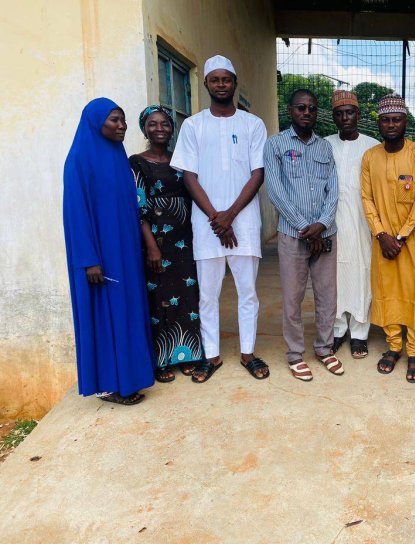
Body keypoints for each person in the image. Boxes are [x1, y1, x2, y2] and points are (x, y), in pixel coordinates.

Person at [171, 55, 270, 382]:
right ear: (206, 85)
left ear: (234, 83)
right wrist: (216, 217)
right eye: (215, 80)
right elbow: (189, 176)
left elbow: (258, 174)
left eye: (226, 79)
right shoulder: (193, 125)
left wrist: (230, 216)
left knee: (248, 293)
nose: (221, 84)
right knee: (207, 295)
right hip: (206, 224)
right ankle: (211, 356)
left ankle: (248, 354)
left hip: (243, 225)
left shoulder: (252, 124)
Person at [63, 98, 154, 405]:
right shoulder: (79, 159)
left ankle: (131, 377)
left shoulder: (117, 156)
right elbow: (76, 214)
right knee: (108, 317)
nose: (121, 126)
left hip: (125, 253)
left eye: (123, 120)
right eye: (114, 120)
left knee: (128, 313)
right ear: (95, 122)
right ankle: (113, 385)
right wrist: (89, 260)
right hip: (101, 258)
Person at [264, 89, 342, 381]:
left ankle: (325, 348)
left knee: (327, 296)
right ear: (290, 110)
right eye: (301, 108)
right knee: (293, 298)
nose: (306, 112)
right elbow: (275, 190)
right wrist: (304, 227)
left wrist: (321, 224)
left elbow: (334, 190)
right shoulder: (276, 145)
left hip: (325, 235)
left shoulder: (325, 148)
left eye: (311, 108)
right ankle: (295, 354)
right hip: (292, 235)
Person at [130, 105, 210, 384]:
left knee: (187, 296)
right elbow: (137, 207)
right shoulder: (136, 162)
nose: (159, 128)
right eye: (152, 124)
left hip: (185, 239)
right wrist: (151, 245)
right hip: (157, 240)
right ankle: (161, 359)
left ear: (172, 127)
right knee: (159, 299)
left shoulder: (181, 160)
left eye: (164, 123)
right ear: (144, 129)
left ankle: (187, 354)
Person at [361, 94, 415, 382]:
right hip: (382, 240)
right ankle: (393, 347)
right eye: (386, 120)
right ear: (379, 123)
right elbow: (366, 198)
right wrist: (381, 233)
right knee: (387, 291)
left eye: (396, 119)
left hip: (411, 238)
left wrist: (401, 235)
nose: (391, 124)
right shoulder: (370, 156)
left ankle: (414, 352)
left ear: (405, 121)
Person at [324, 90, 380, 359]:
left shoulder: (372, 146)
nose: (345, 117)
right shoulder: (325, 144)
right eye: (339, 113)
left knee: (361, 276)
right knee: (332, 277)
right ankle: (336, 330)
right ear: (333, 116)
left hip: (361, 224)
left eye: (350, 112)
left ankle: (359, 334)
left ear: (358, 114)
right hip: (330, 222)